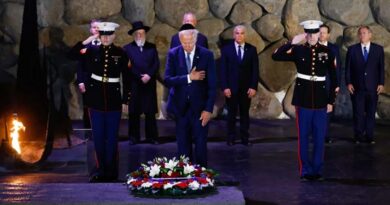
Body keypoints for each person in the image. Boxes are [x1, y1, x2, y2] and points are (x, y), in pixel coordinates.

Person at [272, 20, 337, 181]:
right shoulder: (298, 50)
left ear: (319, 33)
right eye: (309, 33)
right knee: (303, 138)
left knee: (320, 137)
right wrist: (292, 42)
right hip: (303, 100)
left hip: (321, 100)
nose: (313, 36)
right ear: (306, 34)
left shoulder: (327, 51)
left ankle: (317, 169)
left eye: (315, 33)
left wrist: (331, 101)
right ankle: (305, 170)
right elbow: (276, 56)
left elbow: (334, 79)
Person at [69, 22, 130, 182]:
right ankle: (100, 170)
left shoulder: (120, 53)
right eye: (102, 35)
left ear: (114, 36)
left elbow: (127, 77)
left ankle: (111, 171)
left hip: (113, 100)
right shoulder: (91, 50)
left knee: (111, 138)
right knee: (98, 137)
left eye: (108, 35)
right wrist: (88, 40)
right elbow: (71, 54)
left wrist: (125, 99)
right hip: (95, 99)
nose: (105, 38)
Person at [164, 28, 216, 167]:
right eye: (184, 42)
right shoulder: (173, 54)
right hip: (180, 108)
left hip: (200, 109)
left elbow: (212, 85)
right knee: (183, 147)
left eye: (190, 42)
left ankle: (202, 179)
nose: (187, 45)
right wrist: (188, 77)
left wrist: (208, 109)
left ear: (195, 40)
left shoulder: (206, 55)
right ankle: (185, 180)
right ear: (180, 41)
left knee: (200, 146)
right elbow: (168, 80)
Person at [220, 25, 259, 146]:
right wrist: (225, 87)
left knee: (244, 114)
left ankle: (244, 138)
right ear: (233, 35)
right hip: (231, 88)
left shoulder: (252, 50)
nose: (239, 35)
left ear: (245, 35)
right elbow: (223, 70)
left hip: (246, 89)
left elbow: (255, 70)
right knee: (231, 114)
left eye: (242, 33)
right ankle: (230, 138)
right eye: (237, 33)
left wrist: (253, 87)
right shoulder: (226, 50)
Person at [345, 25, 385, 144]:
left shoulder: (378, 49)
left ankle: (369, 135)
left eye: (364, 33)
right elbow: (348, 69)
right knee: (358, 112)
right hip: (357, 87)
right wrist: (348, 83)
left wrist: (381, 83)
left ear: (370, 35)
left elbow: (381, 68)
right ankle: (358, 136)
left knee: (371, 112)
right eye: (360, 33)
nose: (362, 35)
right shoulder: (352, 50)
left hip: (373, 87)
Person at [123, 21, 159, 145]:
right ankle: (134, 137)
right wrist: (139, 76)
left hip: (149, 84)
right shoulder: (127, 49)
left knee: (150, 113)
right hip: (135, 84)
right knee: (134, 112)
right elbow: (127, 67)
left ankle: (152, 137)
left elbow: (156, 64)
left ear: (145, 34)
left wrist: (149, 75)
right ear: (133, 35)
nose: (139, 35)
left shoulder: (152, 47)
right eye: (137, 33)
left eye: (142, 33)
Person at [76, 19, 101, 136]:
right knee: (88, 107)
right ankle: (89, 132)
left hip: (101, 81)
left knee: (101, 106)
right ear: (90, 30)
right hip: (87, 81)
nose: (96, 29)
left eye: (98, 27)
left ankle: (100, 130)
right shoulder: (85, 45)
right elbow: (79, 65)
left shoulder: (106, 44)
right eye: (94, 27)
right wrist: (80, 82)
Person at [318, 24, 342, 144]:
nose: (322, 35)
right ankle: (316, 135)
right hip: (315, 84)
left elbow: (338, 67)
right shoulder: (312, 47)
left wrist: (337, 84)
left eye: (324, 32)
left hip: (329, 84)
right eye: (320, 32)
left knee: (328, 110)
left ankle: (325, 135)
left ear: (328, 35)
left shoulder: (334, 48)